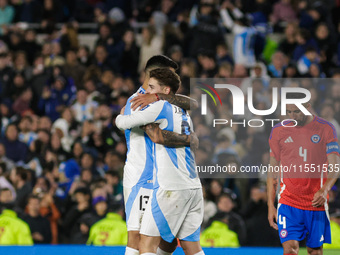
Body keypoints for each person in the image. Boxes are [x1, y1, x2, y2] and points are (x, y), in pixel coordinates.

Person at [116, 68, 204, 255]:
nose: (146, 92)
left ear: (165, 91)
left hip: (171, 187)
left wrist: (122, 115)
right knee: (191, 247)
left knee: (146, 244)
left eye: (152, 88)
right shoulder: (183, 111)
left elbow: (124, 124)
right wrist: (190, 139)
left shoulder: (158, 107)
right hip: (193, 186)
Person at [267, 92, 340, 255]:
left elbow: (335, 166)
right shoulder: (278, 131)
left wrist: (325, 189)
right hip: (288, 202)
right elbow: (272, 171)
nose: (292, 116)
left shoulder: (326, 128)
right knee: (290, 248)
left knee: (314, 250)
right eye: (289, 111)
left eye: (297, 111)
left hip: (315, 202)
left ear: (308, 107)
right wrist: (270, 205)